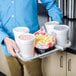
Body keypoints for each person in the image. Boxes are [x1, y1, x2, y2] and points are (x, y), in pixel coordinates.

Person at [0, 0, 63, 76]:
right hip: (8, 48)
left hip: (31, 47)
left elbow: (51, 5)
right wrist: (4, 38)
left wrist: (57, 24)